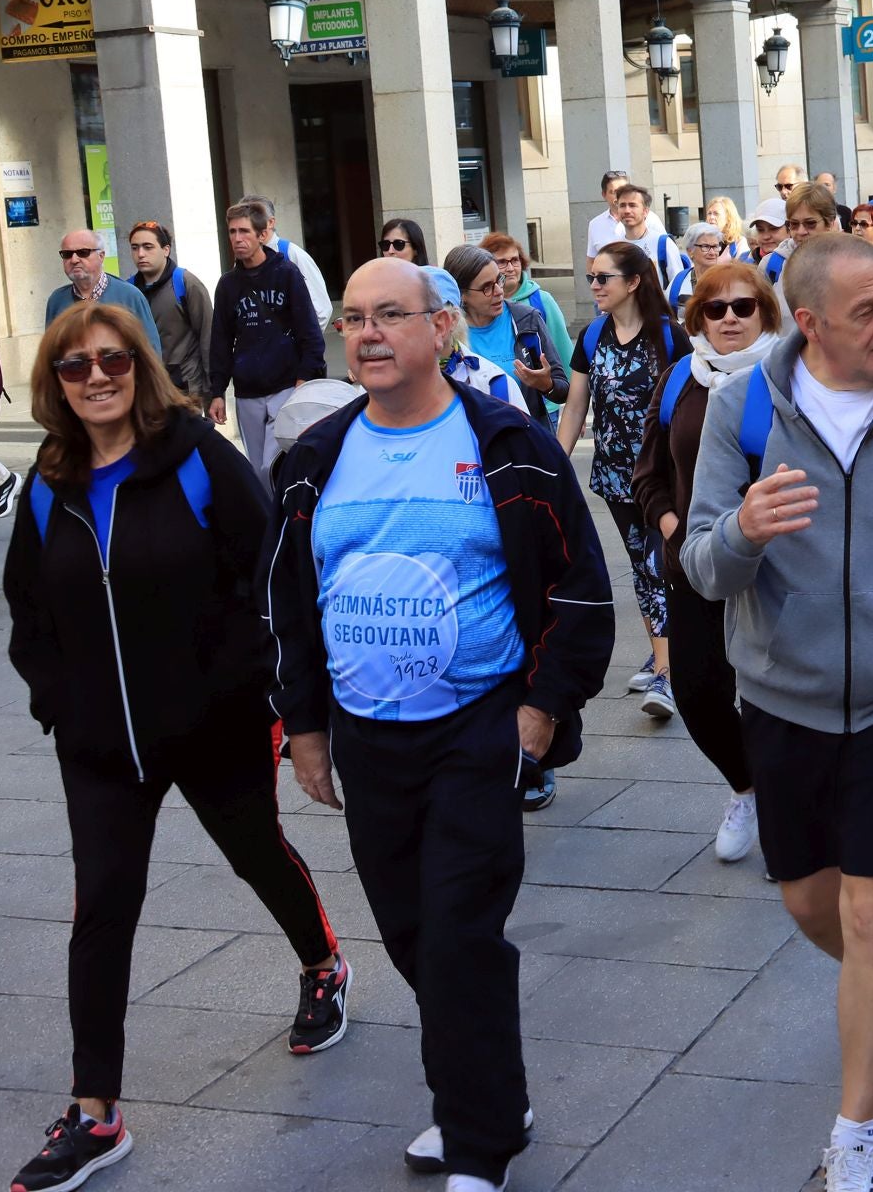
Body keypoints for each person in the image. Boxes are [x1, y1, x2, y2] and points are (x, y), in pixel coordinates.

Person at [267, 257, 613, 1192]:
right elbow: (288, 601)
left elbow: (579, 587)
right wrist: (303, 726)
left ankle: (475, 1144)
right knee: (413, 933)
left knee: (459, 932)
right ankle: (493, 1092)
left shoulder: (504, 442)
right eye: (354, 320)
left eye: (390, 315)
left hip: (479, 728)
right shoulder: (318, 456)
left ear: (442, 328)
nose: (369, 334)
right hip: (370, 737)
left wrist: (541, 714)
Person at [4, 302, 349, 1192]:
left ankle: (322, 963)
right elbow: (30, 611)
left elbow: (269, 572)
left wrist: (251, 686)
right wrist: (58, 702)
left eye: (112, 360)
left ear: (141, 367)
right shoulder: (47, 481)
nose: (96, 378)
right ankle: (96, 1114)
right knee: (103, 907)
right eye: (75, 367)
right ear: (56, 383)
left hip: (213, 725)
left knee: (254, 853)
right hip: (99, 745)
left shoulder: (196, 457)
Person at [681, 233, 873, 1192]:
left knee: (870, 910)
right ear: (810, 323)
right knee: (810, 900)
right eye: (868, 311)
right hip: (783, 698)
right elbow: (700, 564)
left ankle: (855, 1133)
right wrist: (742, 532)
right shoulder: (742, 410)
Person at [631, 263, 784, 871]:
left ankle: (786, 810)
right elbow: (648, 475)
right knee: (696, 693)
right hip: (694, 564)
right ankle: (749, 788)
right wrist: (675, 530)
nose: (728, 319)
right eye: (714, 310)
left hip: (774, 568)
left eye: (743, 308)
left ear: (766, 314)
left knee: (775, 696)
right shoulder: (680, 381)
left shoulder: (789, 378)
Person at [559, 241, 679, 718]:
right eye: (592, 277)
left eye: (603, 278)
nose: (594, 286)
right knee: (640, 565)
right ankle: (664, 654)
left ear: (633, 282)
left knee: (658, 563)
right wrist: (557, 463)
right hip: (613, 478)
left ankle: (669, 675)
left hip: (662, 477)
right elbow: (575, 406)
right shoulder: (591, 337)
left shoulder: (669, 338)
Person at [207, 200, 325, 474]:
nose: (237, 238)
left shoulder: (286, 273)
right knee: (257, 470)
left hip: (286, 385)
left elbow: (310, 331)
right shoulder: (228, 285)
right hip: (247, 390)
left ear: (262, 235)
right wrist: (217, 392)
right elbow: (221, 342)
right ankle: (267, 517)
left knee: (274, 466)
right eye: (233, 232)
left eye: (244, 231)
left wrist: (304, 380)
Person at [443, 245, 568, 431]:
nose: (499, 291)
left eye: (498, 280)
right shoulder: (446, 333)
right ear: (462, 295)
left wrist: (546, 385)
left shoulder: (527, 320)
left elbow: (562, 390)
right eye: (487, 287)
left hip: (524, 443)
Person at [125, 220, 211, 395]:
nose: (140, 254)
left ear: (166, 250)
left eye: (148, 247)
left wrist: (214, 391)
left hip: (185, 388)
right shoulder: (128, 290)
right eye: (135, 248)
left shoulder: (185, 283)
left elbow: (207, 336)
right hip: (145, 389)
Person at [481, 230, 576, 389]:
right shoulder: (482, 303)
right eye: (502, 262)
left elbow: (564, 351)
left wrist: (568, 394)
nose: (510, 268)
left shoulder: (541, 300)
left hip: (545, 401)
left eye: (515, 260)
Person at [45, 232, 160, 353]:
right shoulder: (57, 300)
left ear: (101, 256)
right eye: (67, 254)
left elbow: (151, 352)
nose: (74, 260)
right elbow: (50, 353)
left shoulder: (129, 296)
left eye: (83, 252)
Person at [240, 195, 333, 330]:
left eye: (256, 220)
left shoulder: (294, 255)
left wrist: (299, 343)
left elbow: (322, 309)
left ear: (271, 222)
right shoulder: (241, 264)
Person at [612, 184, 688, 284]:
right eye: (622, 205)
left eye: (632, 205)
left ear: (645, 211)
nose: (627, 211)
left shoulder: (663, 244)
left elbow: (679, 286)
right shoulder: (615, 248)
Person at [667, 221, 737, 313]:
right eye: (705, 246)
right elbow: (666, 316)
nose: (712, 252)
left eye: (715, 246)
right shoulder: (678, 281)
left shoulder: (730, 280)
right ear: (690, 251)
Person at [585, 170, 632, 257]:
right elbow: (591, 262)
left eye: (624, 191)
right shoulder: (595, 224)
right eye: (614, 192)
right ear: (604, 194)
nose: (620, 195)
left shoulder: (648, 218)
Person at [704, 195, 751, 262]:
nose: (711, 217)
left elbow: (741, 270)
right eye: (709, 213)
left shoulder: (739, 243)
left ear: (728, 218)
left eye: (716, 214)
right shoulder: (703, 242)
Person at [749, 197, 790, 267]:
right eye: (760, 230)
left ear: (790, 228)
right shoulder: (746, 263)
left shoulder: (802, 262)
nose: (766, 237)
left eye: (773, 228)